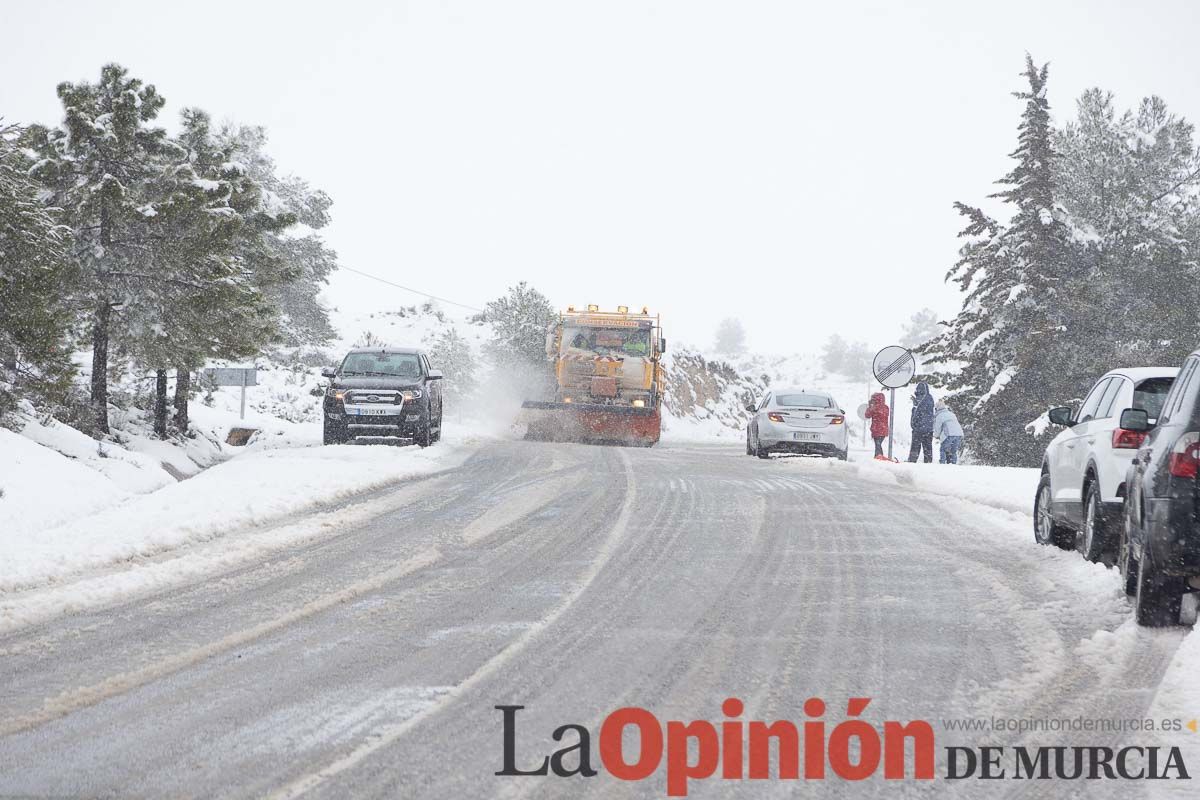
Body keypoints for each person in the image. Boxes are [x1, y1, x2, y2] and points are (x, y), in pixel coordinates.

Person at [908, 381, 935, 463]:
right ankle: (928, 461)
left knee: (915, 446)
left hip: (919, 428)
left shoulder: (920, 399)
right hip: (929, 428)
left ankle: (912, 461)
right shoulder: (930, 398)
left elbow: (917, 413)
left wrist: (914, 406)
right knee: (927, 446)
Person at [934, 399, 965, 464]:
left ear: (937, 408)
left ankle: (942, 464)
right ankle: (953, 464)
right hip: (958, 434)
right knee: (953, 451)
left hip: (949, 434)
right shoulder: (952, 414)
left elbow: (937, 428)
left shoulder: (939, 416)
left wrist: (936, 435)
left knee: (943, 450)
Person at [864, 392, 890, 458]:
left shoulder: (874, 408)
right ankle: (878, 456)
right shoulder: (886, 407)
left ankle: (879, 456)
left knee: (877, 445)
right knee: (878, 444)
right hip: (884, 429)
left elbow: (867, 415)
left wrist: (870, 406)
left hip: (876, 429)